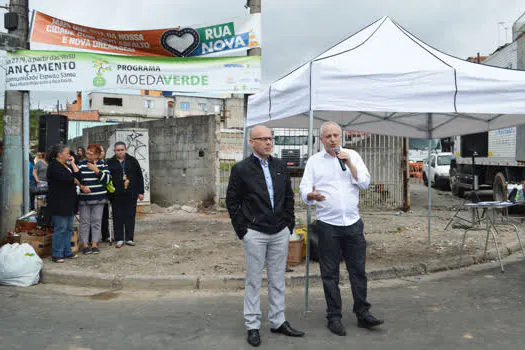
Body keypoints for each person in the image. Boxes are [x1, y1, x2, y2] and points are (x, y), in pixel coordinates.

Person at [300, 121, 383, 336]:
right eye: (328, 136)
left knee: (358, 272)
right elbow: (304, 189)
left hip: (353, 224)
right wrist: (311, 195)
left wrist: (351, 164)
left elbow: (364, 183)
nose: (333, 139)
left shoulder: (352, 155)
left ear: (341, 137)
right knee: (330, 274)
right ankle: (334, 317)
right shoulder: (314, 162)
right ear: (321, 140)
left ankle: (363, 313)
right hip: (328, 226)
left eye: (336, 135)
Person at [226, 125, 305, 347]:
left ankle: (278, 321)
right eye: (263, 139)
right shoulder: (241, 169)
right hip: (255, 233)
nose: (269, 143)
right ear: (252, 142)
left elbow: (289, 197)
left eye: (271, 139)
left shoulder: (280, 166)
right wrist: (243, 230)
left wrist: (288, 224)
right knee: (253, 280)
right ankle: (252, 325)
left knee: (278, 278)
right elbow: (232, 202)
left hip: (279, 231)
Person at [46, 144, 80, 263]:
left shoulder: (67, 165)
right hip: (59, 202)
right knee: (60, 228)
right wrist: (73, 180)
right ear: (59, 154)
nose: (69, 155)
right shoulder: (54, 166)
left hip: (69, 201)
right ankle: (57, 253)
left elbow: (78, 176)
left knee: (69, 229)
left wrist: (73, 164)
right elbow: (67, 179)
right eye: (67, 153)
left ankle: (67, 251)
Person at [107, 142, 144, 248]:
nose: (120, 152)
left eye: (122, 150)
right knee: (117, 216)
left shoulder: (133, 161)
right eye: (117, 150)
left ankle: (129, 238)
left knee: (130, 216)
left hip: (131, 193)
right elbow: (107, 179)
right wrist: (109, 194)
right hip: (116, 194)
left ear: (125, 150)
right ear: (114, 151)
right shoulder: (110, 162)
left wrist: (141, 192)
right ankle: (119, 239)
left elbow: (139, 176)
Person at [77, 144, 111, 255]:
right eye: (87, 153)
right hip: (84, 199)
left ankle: (95, 244)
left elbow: (107, 180)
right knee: (84, 222)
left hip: (99, 198)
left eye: (91, 154)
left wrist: (96, 170)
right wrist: (81, 187)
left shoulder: (103, 164)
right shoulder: (81, 164)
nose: (87, 155)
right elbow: (76, 179)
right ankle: (85, 245)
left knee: (97, 221)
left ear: (97, 155)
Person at [99, 145, 111, 243]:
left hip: (105, 193)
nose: (101, 153)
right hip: (94, 194)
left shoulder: (106, 164)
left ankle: (105, 235)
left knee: (105, 216)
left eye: (102, 151)